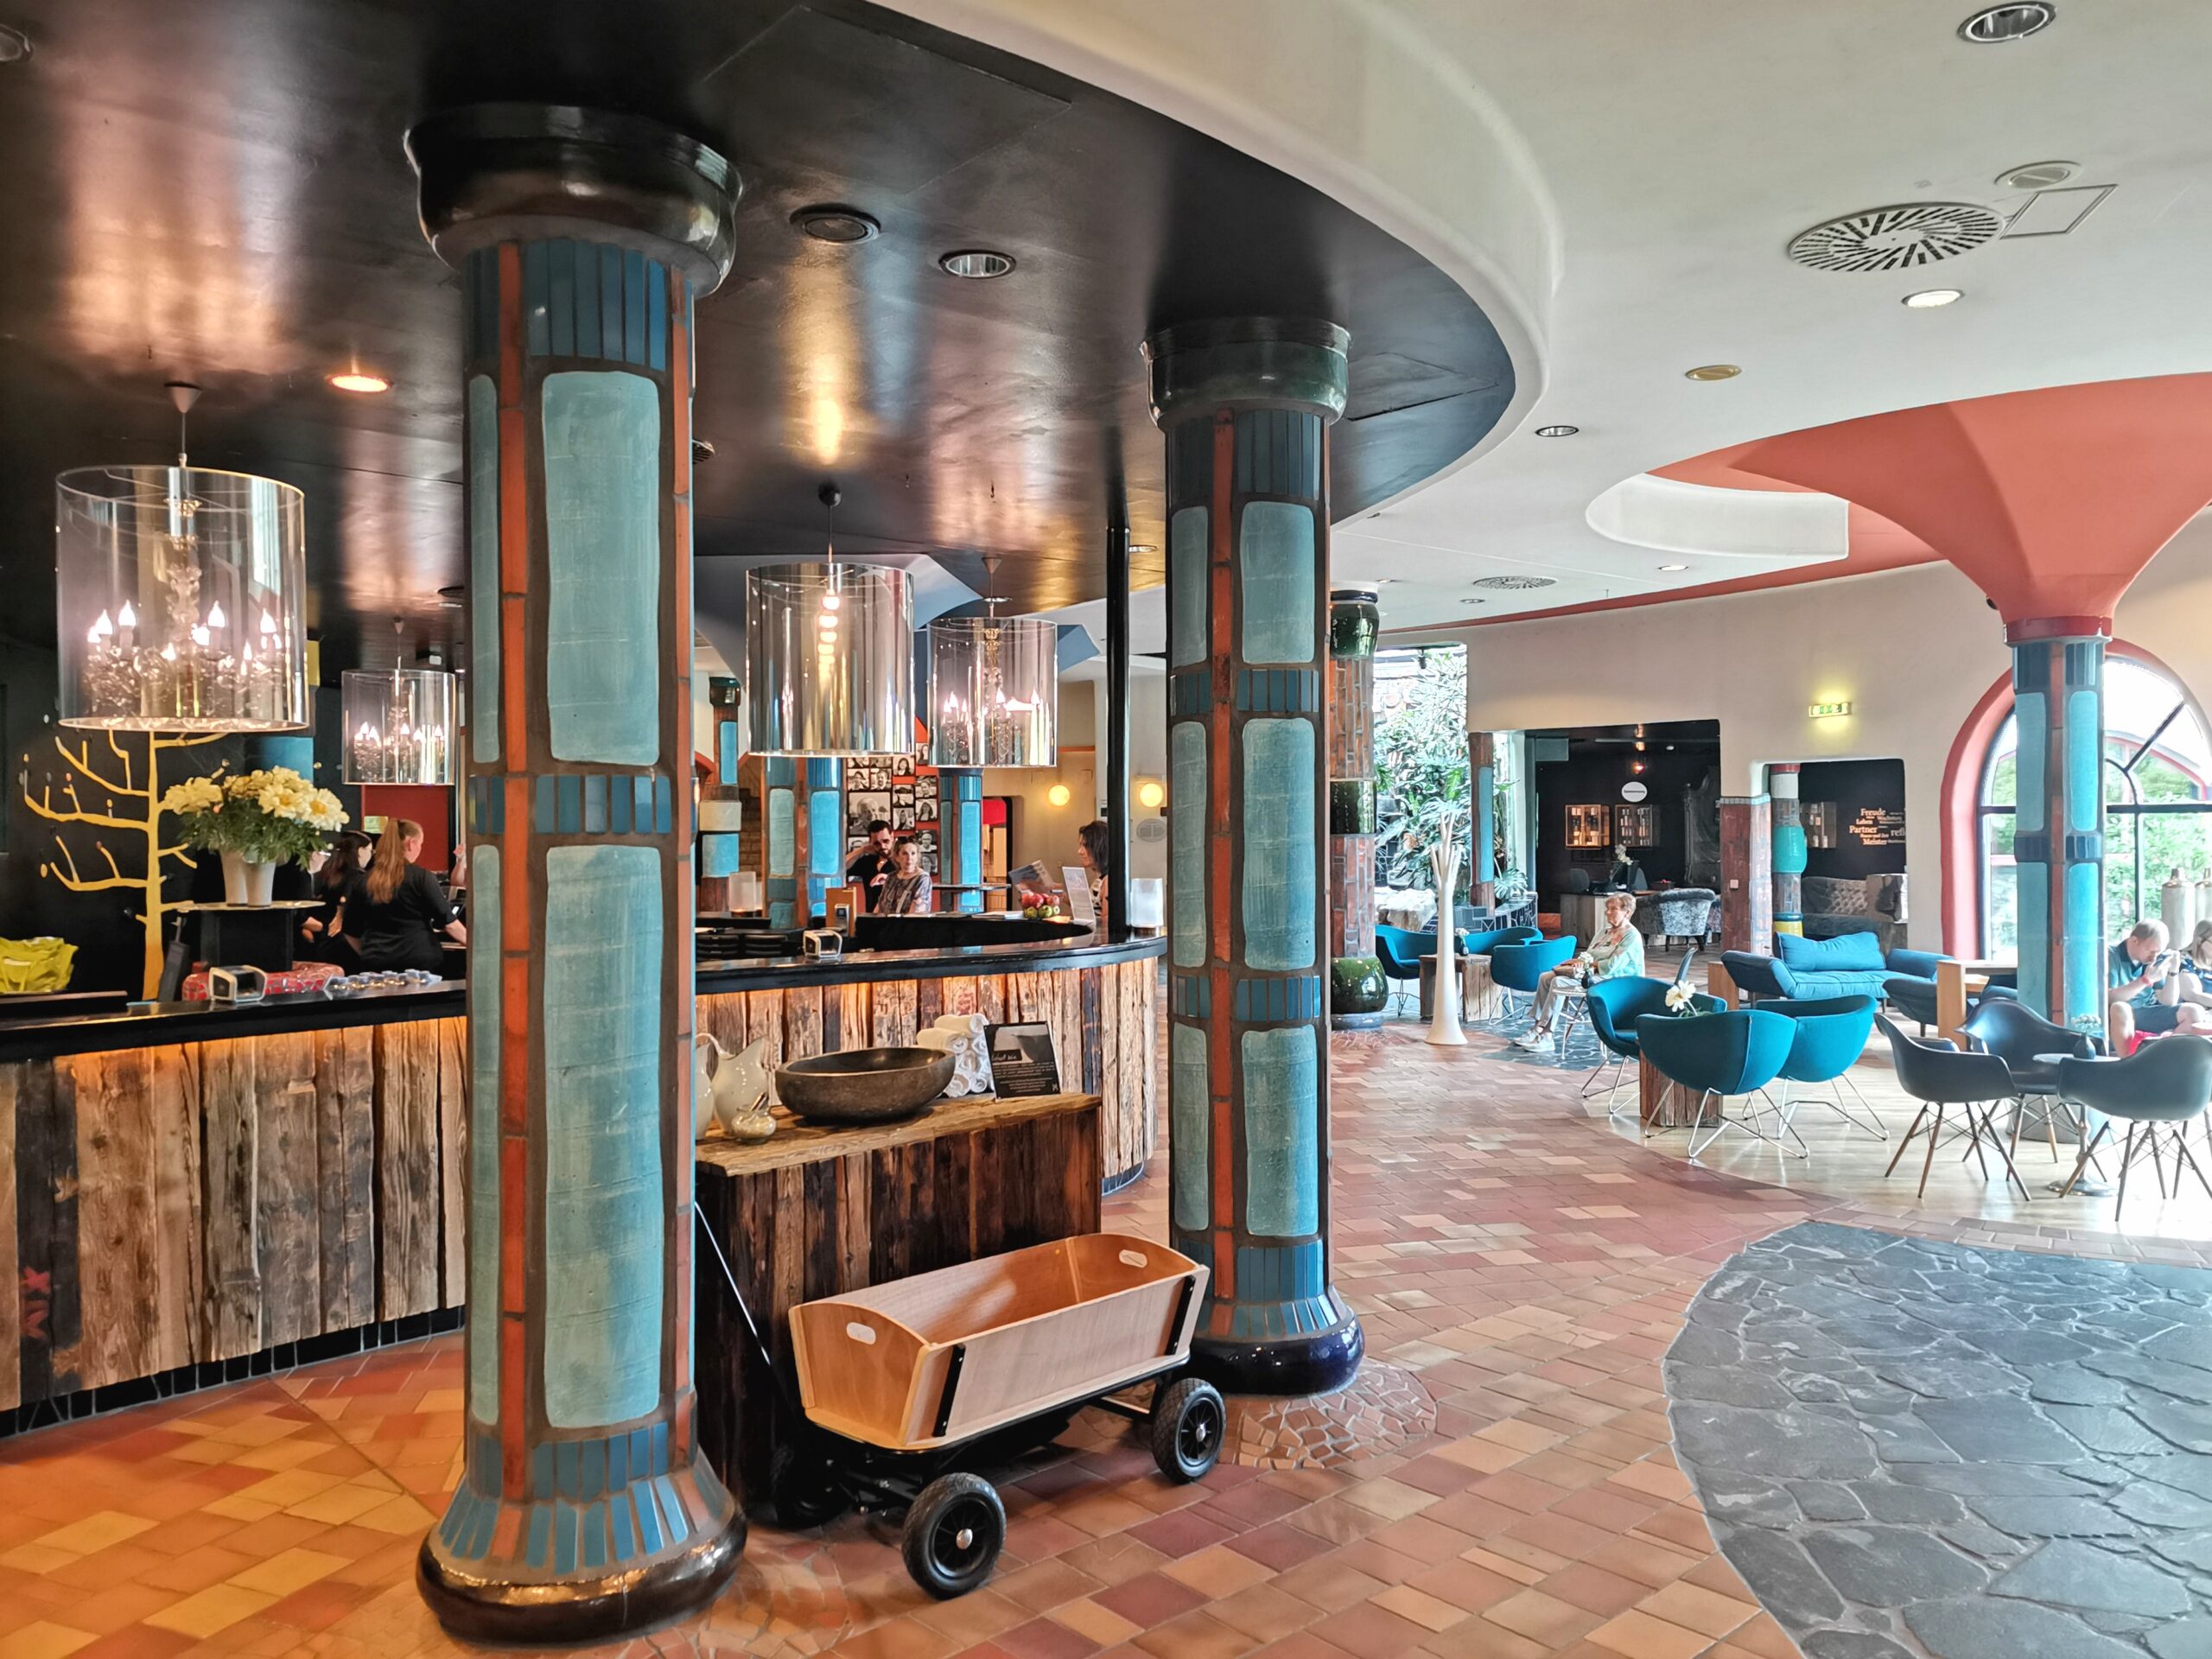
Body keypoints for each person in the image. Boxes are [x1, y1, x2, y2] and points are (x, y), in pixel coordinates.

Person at [1514, 892, 1644, 1054]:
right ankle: (1536, 1028)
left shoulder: (1631, 935)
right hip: (1592, 974)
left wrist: (1586, 965)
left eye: (1613, 909)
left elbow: (1611, 966)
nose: (1608, 912)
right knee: (1545, 977)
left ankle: (1547, 1034)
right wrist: (1578, 964)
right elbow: (1588, 954)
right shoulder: (1605, 932)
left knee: (1558, 982)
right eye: (1607, 908)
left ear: (1627, 912)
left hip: (1616, 981)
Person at [340, 819, 465, 974]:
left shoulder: (363, 880)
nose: (420, 849)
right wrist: (478, 946)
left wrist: (372, 953)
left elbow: (350, 931)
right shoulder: (422, 877)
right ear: (411, 844)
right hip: (419, 962)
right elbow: (449, 923)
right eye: (420, 844)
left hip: (376, 962)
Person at [2106, 918, 2212, 1047]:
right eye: (2151, 951)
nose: (2154, 957)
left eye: (2159, 952)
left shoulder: (2152, 958)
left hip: (2147, 1011)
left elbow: (2168, 1002)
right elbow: (2110, 998)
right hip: (2121, 1014)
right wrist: (2145, 980)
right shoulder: (2110, 955)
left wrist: (2173, 971)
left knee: (2195, 1011)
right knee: (2121, 1009)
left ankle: (2162, 1051)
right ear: (2134, 941)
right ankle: (2156, 1051)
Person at [300, 830, 371, 969]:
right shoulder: (358, 878)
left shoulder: (324, 872)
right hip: (345, 943)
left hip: (320, 942)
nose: (370, 855)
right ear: (360, 851)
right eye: (370, 850)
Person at [875, 838, 934, 916]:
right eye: (905, 853)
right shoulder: (891, 877)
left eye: (913, 853)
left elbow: (915, 914)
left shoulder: (922, 879)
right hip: (886, 923)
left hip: (909, 923)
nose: (909, 858)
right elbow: (880, 907)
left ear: (917, 856)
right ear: (897, 857)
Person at [846, 820, 895, 910]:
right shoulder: (868, 861)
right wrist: (862, 850)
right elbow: (841, 868)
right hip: (871, 915)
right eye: (877, 843)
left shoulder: (902, 860)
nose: (882, 846)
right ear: (870, 842)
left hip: (896, 916)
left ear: (892, 836)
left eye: (886, 841)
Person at [1077, 818, 1110, 929]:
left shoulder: (1108, 881)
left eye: (1085, 846)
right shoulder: (1101, 879)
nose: (1080, 851)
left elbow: (1107, 920)